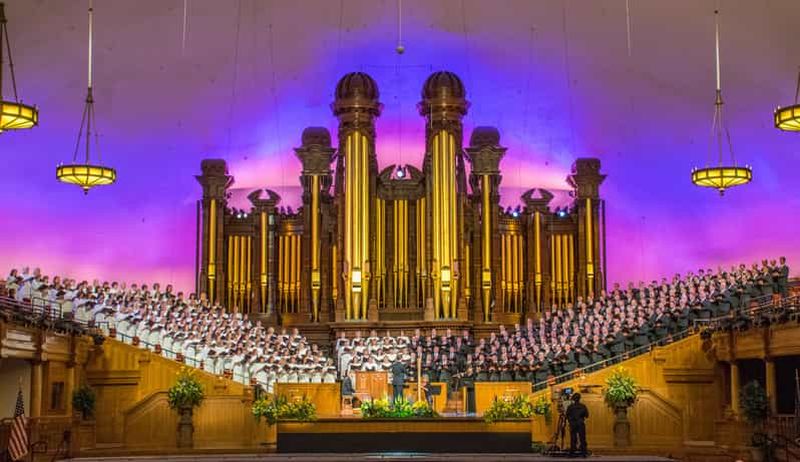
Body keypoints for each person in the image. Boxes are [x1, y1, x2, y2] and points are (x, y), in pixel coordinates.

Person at [566, 392, 589, 457]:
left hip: (573, 424)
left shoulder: (570, 407)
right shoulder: (583, 406)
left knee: (573, 438)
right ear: (579, 398)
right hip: (580, 423)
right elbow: (587, 415)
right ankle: (584, 453)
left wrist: (570, 421)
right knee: (582, 438)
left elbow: (567, 415)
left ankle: (572, 452)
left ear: (573, 399)